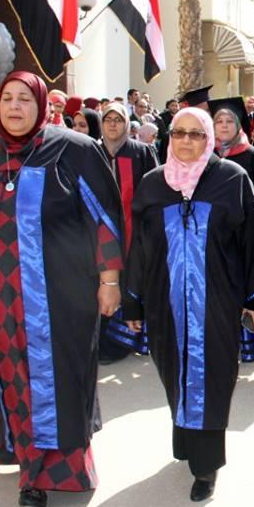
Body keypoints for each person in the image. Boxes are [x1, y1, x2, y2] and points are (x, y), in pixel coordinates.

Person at [0, 71, 124, 507]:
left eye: (24, 98)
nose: (14, 107)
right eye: (7, 98)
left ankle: (52, 469)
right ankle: (28, 463)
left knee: (60, 375)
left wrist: (110, 281)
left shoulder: (72, 150)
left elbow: (104, 221)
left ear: (41, 105)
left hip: (62, 295)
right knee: (12, 373)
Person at [122, 106, 254, 501]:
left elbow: (252, 244)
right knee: (174, 370)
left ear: (209, 139)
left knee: (212, 375)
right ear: (169, 137)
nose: (186, 141)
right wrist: (133, 301)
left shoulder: (231, 179)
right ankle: (186, 441)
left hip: (218, 301)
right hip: (164, 301)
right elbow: (138, 249)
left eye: (196, 134)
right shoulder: (153, 184)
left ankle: (206, 466)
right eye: (179, 133)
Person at [96, 102, 158, 363]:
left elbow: (155, 188)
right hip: (100, 233)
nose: (113, 124)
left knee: (132, 282)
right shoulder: (92, 152)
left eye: (118, 119)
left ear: (126, 123)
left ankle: (130, 339)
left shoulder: (141, 152)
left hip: (135, 231)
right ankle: (104, 342)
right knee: (104, 283)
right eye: (108, 119)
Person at [208, 97, 254, 247]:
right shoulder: (207, 155)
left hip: (248, 228)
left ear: (238, 124)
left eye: (230, 121)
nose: (224, 126)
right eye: (219, 121)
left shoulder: (253, 155)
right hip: (215, 230)